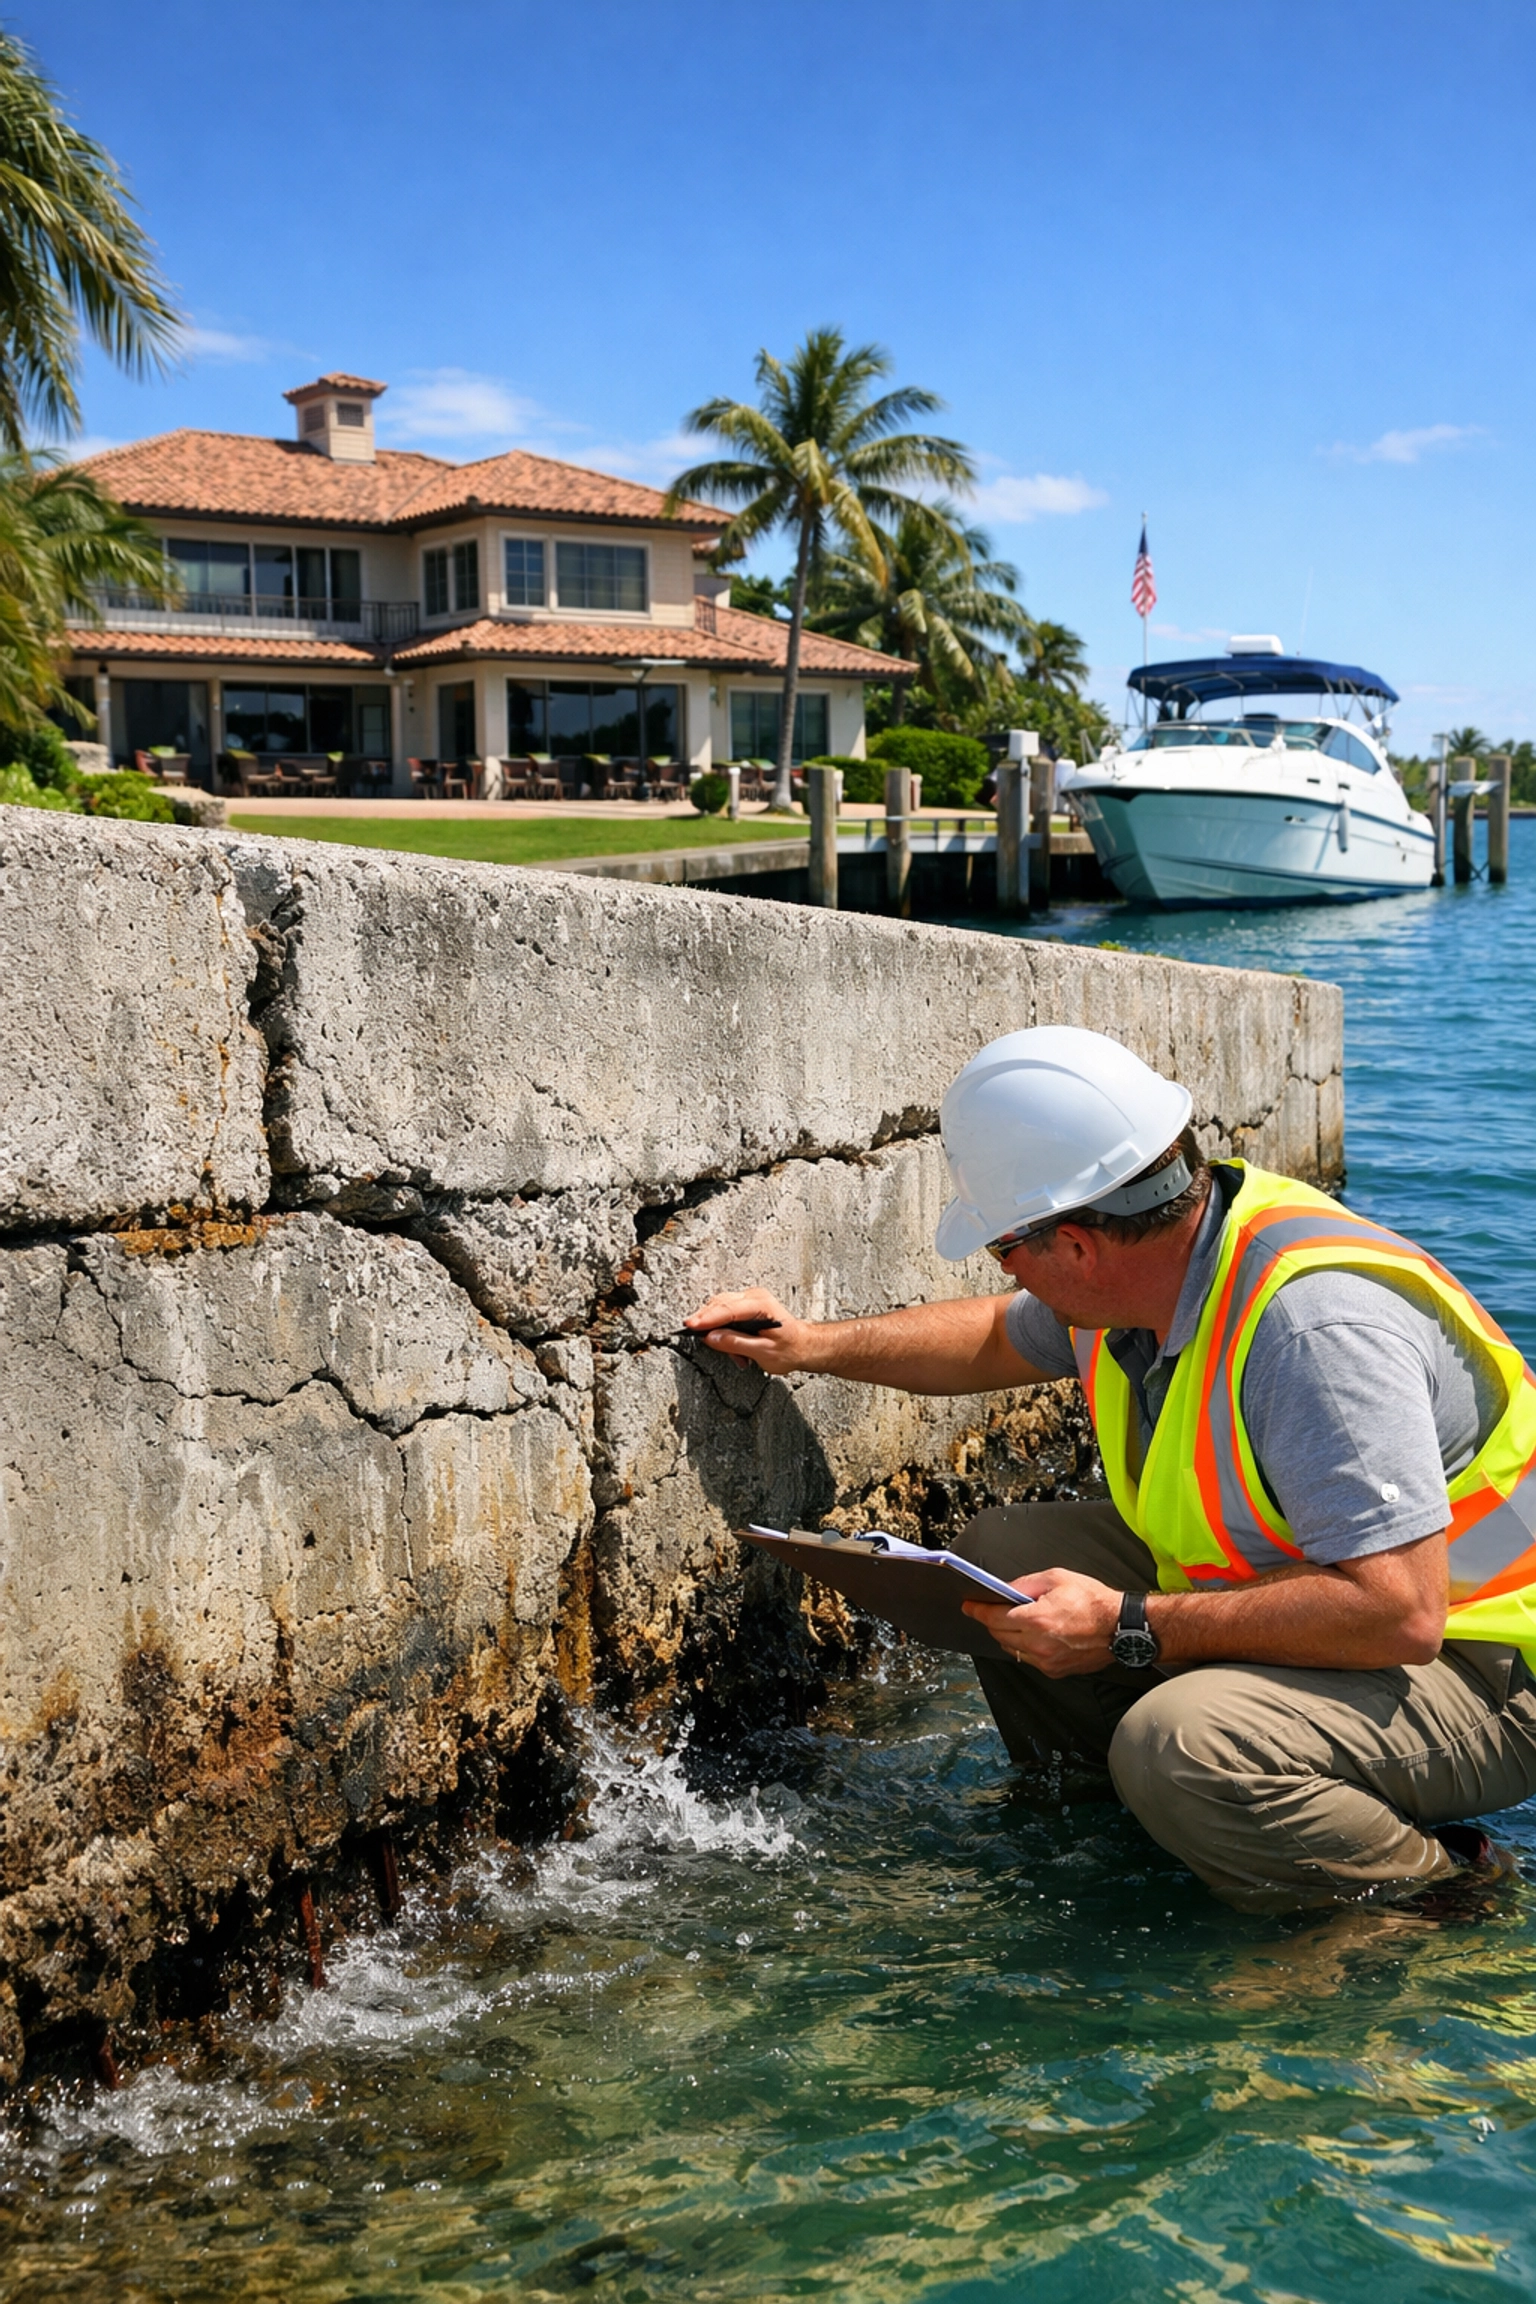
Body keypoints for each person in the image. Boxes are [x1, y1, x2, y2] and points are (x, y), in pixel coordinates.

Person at [685, 1025, 1536, 1914]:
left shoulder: (1313, 1333)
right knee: (1001, 1564)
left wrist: (1129, 1628)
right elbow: (986, 1340)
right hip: (1335, 1588)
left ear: (1079, 1248)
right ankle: (1136, 1817)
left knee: (1180, 1745)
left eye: (1004, 1250)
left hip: (1488, 1666)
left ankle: (1433, 1890)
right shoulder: (1156, 1267)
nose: (1010, 1275)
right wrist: (807, 1347)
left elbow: (1401, 1613)